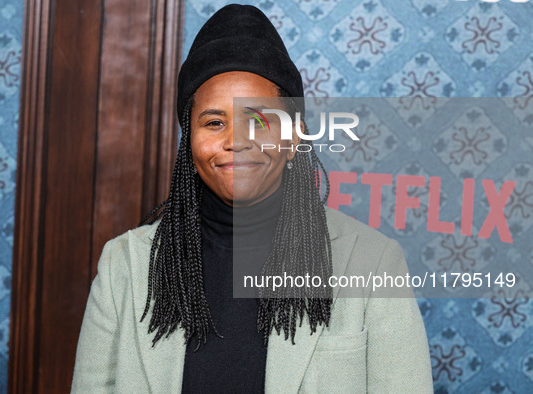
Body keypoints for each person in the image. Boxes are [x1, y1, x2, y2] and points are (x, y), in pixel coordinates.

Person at [71, 4, 433, 393]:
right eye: (214, 122)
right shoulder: (123, 267)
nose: (236, 141)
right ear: (188, 144)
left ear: (295, 139)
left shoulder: (372, 262)